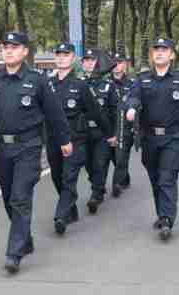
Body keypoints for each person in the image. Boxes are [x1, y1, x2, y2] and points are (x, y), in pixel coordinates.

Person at [0, 32, 72, 274]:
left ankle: (14, 253)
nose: (8, 51)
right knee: (8, 197)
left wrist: (64, 140)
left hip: (28, 147)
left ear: (25, 51)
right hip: (2, 149)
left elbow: (54, 113)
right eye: (5, 46)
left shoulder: (37, 80)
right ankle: (24, 239)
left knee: (20, 198)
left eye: (14, 47)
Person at [126, 38, 179, 241]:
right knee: (155, 179)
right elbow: (133, 96)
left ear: (172, 55)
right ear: (152, 55)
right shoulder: (142, 78)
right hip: (149, 138)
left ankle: (167, 219)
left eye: (164, 50)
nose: (160, 53)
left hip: (173, 137)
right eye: (156, 50)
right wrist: (132, 108)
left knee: (167, 178)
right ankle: (162, 213)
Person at [45, 43, 110, 236]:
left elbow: (95, 112)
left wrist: (110, 133)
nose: (62, 58)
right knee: (57, 177)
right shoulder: (47, 84)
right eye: (58, 55)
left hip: (76, 140)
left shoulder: (80, 85)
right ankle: (70, 209)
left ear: (73, 59)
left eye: (66, 55)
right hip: (53, 140)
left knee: (69, 178)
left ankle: (60, 216)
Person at [82, 49, 117, 214]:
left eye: (92, 60)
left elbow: (114, 112)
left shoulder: (108, 86)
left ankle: (95, 195)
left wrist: (114, 133)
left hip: (102, 133)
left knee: (100, 163)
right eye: (86, 60)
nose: (88, 63)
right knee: (88, 165)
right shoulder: (78, 84)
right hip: (83, 132)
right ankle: (99, 185)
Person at [108, 52, 135, 197]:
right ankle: (124, 177)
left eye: (119, 62)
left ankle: (116, 184)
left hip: (125, 127)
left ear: (125, 65)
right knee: (113, 157)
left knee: (121, 156)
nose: (116, 66)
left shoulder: (132, 85)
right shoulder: (106, 83)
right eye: (114, 62)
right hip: (109, 127)